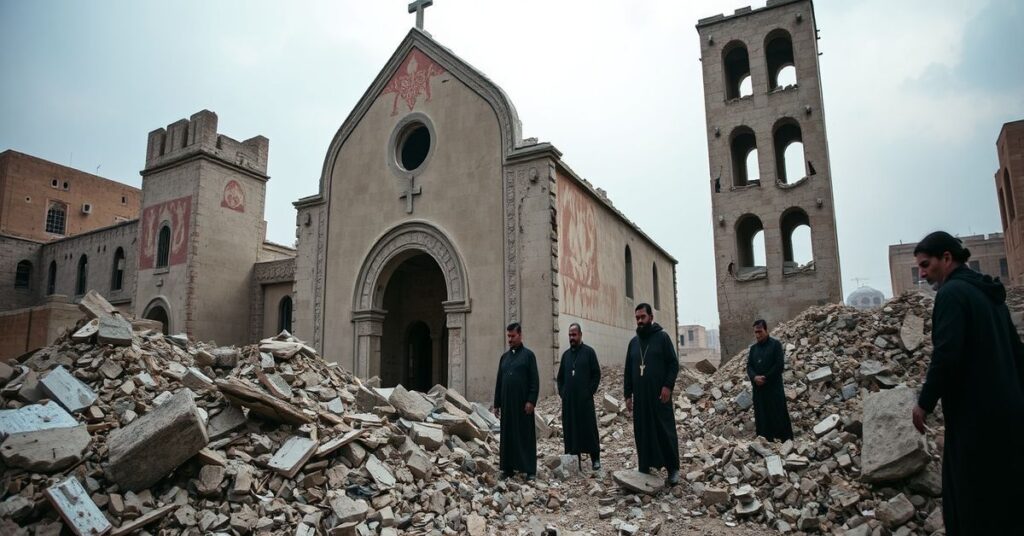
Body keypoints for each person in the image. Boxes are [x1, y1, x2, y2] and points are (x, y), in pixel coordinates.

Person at [910, 231, 1024, 535]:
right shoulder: (990, 294)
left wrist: (924, 402)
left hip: (976, 419)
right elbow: (1018, 353)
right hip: (1009, 416)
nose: (921, 274)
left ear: (947, 258)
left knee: (972, 500)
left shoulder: (951, 294)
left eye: (925, 265)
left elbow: (946, 356)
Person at [624, 303, 680, 485]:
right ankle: (644, 466)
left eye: (643, 317)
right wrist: (628, 395)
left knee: (664, 431)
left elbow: (673, 364)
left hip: (659, 396)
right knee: (642, 432)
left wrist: (667, 386)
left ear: (651, 317)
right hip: (641, 398)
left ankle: (673, 469)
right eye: (637, 318)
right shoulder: (633, 343)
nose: (640, 321)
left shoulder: (662, 338)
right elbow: (628, 370)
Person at [492, 322, 539, 480]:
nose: (510, 339)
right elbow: (499, 381)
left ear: (520, 335)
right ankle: (508, 468)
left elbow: (534, 381)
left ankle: (529, 469)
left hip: (523, 405)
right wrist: (497, 403)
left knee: (525, 436)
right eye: (508, 336)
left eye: (513, 336)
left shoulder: (528, 356)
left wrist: (531, 401)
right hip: (507, 405)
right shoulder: (504, 358)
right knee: (508, 436)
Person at [556, 323, 602, 471]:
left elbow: (596, 374)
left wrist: (589, 392)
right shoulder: (566, 355)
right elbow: (560, 378)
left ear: (580, 335)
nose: (572, 338)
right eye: (570, 335)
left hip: (585, 401)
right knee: (571, 429)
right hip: (569, 402)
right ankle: (573, 458)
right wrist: (563, 393)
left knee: (589, 429)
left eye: (574, 335)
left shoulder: (589, 352)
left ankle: (595, 459)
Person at [746, 319, 794, 441]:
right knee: (762, 417)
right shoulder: (753, 349)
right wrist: (754, 377)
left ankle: (785, 442)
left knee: (778, 414)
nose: (757, 335)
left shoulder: (775, 345)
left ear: (766, 330)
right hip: (759, 390)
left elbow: (779, 365)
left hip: (773, 389)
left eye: (760, 332)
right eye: (755, 332)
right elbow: (749, 366)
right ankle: (765, 442)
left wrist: (765, 377)